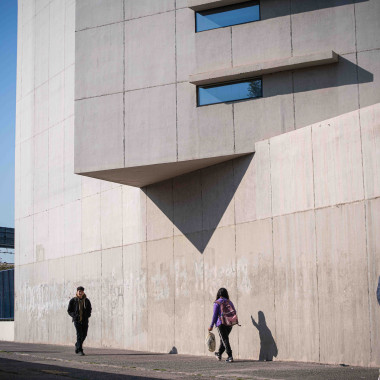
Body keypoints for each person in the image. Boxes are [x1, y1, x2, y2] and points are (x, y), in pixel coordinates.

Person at [208, 288, 236, 363]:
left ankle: (230, 356)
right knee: (223, 339)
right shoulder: (229, 302)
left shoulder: (217, 303)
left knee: (224, 339)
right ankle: (219, 354)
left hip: (221, 323)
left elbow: (214, 315)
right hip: (230, 323)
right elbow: (234, 312)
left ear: (218, 294)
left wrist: (211, 325)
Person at [67, 286, 92, 356]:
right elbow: (69, 310)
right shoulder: (73, 300)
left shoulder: (87, 301)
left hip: (85, 320)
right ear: (77, 292)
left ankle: (77, 344)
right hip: (77, 320)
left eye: (81, 291)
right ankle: (80, 350)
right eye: (79, 291)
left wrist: (88, 315)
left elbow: (90, 309)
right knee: (79, 334)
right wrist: (74, 316)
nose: (80, 292)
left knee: (84, 334)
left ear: (83, 292)